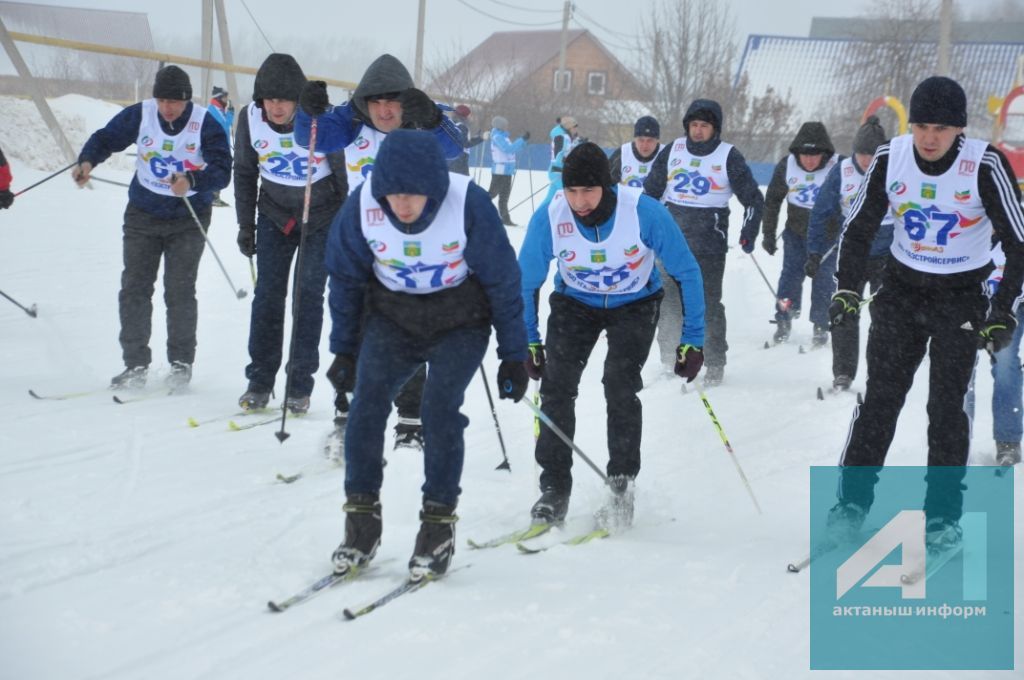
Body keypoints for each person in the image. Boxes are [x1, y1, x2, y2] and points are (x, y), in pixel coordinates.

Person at [828, 76, 1024, 549]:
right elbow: (856, 230)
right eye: (921, 126)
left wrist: (1003, 311)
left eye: (940, 128)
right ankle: (851, 505)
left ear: (959, 129)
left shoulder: (984, 164)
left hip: (960, 298)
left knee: (945, 410)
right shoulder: (889, 157)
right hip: (901, 293)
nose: (929, 138)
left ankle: (942, 518)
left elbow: (1018, 244)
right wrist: (848, 290)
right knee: (880, 402)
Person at [323, 129, 528, 580]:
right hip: (393, 318)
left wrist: (514, 353)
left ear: (433, 187)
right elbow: (345, 279)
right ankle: (361, 523)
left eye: (413, 195)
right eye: (393, 195)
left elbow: (503, 281)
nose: (403, 205)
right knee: (366, 406)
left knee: (439, 408)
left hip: (460, 320)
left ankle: (437, 526)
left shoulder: (468, 203)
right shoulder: (362, 206)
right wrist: (344, 350)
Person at [519, 142, 706, 527]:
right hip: (575, 304)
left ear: (607, 186)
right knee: (556, 387)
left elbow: (687, 272)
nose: (579, 201)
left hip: (635, 304)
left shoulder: (643, 212)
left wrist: (693, 339)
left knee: (619, 385)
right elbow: (524, 282)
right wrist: (528, 339)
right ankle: (555, 487)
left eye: (588, 190)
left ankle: (621, 486)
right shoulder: (552, 216)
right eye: (571, 191)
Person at [295, 53, 462, 450]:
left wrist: (434, 121)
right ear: (365, 103)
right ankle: (346, 412)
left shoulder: (423, 117)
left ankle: (410, 419)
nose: (386, 112)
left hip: (415, 243)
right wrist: (307, 110)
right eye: (377, 103)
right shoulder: (351, 123)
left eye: (393, 102)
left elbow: (454, 147)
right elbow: (309, 137)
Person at [72, 65, 231, 390]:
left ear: (186, 100)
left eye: (174, 101)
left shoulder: (205, 123)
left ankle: (180, 364)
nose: (167, 107)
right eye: (162, 100)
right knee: (134, 287)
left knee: (180, 290)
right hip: (143, 212)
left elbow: (223, 170)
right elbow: (106, 139)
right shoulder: (141, 114)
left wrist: (192, 180)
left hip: (188, 216)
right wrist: (87, 160)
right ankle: (135, 364)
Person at [234, 53, 348, 414]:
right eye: (269, 100)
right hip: (274, 215)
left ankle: (299, 385)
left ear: (298, 99)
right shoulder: (250, 119)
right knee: (267, 296)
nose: (276, 107)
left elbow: (343, 176)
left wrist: (347, 229)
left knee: (307, 295)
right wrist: (245, 225)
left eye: (284, 100)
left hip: (321, 216)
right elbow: (245, 173)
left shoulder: (319, 117)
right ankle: (260, 380)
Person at [643, 99, 764, 385]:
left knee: (707, 304)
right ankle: (670, 358)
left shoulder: (728, 156)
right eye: (694, 125)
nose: (698, 131)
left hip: (709, 243)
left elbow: (753, 200)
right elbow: (649, 194)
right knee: (668, 300)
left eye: (704, 126)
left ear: (715, 129)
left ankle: (714, 361)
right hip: (672, 240)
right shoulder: (673, 150)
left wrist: (749, 231)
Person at [805, 116, 892, 390]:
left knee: (886, 315)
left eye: (872, 154)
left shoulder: (896, 169)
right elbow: (820, 213)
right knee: (843, 312)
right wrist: (815, 252)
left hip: (888, 255)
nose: (866, 161)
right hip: (852, 254)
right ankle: (843, 372)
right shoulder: (842, 172)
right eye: (862, 154)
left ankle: (882, 371)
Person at [761, 121, 838, 346]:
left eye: (815, 155)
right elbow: (772, 201)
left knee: (824, 282)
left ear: (825, 153)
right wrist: (768, 233)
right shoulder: (787, 166)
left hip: (827, 238)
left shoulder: (837, 167)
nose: (810, 160)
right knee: (790, 277)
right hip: (796, 234)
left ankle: (821, 325)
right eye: (805, 154)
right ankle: (784, 317)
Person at [964, 245, 1023, 467]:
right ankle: (958, 438)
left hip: (1010, 304)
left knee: (1006, 364)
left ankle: (1008, 440)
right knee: (961, 366)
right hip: (969, 299)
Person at [486, 115, 529, 226]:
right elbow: (508, 149)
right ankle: (476, 211)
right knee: (492, 194)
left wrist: (524, 142)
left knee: (504, 196)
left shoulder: (504, 137)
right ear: (500, 126)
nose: (507, 126)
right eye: (505, 125)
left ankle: (505, 219)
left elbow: (513, 150)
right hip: (500, 170)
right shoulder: (497, 137)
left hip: (507, 171)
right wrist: (521, 140)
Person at [609, 115, 663, 187]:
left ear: (657, 140)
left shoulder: (666, 153)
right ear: (635, 139)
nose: (645, 145)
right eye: (641, 140)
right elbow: (607, 183)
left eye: (650, 141)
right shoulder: (623, 153)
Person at [207, 86, 235, 207]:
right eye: (224, 97)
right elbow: (221, 127)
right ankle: (211, 196)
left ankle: (215, 196)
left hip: (222, 145)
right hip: (214, 146)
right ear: (218, 98)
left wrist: (230, 113)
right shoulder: (212, 110)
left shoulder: (220, 110)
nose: (226, 99)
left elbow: (226, 124)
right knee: (215, 170)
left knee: (221, 171)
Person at [543, 116, 580, 202]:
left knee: (549, 200)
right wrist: (566, 159)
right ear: (569, 127)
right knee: (568, 197)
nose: (576, 130)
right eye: (574, 127)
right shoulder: (562, 137)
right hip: (557, 172)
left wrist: (577, 143)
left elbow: (567, 151)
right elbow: (559, 153)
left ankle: (539, 215)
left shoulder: (565, 136)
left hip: (558, 172)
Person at [447, 104, 484, 176]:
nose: (470, 117)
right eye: (469, 115)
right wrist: (481, 138)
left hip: (452, 161)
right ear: (464, 115)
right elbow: (465, 144)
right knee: (465, 184)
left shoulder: (452, 125)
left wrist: (477, 137)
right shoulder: (462, 126)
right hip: (459, 162)